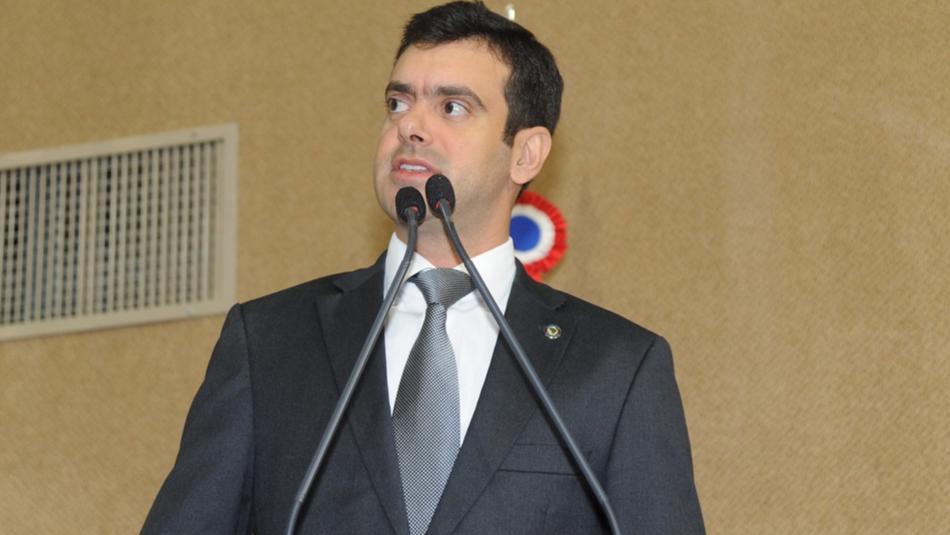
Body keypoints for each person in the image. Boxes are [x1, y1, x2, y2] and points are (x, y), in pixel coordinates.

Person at [141, 2, 705, 534]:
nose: (410, 126)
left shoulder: (617, 367)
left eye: (452, 107)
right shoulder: (270, 342)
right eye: (398, 102)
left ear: (525, 153)